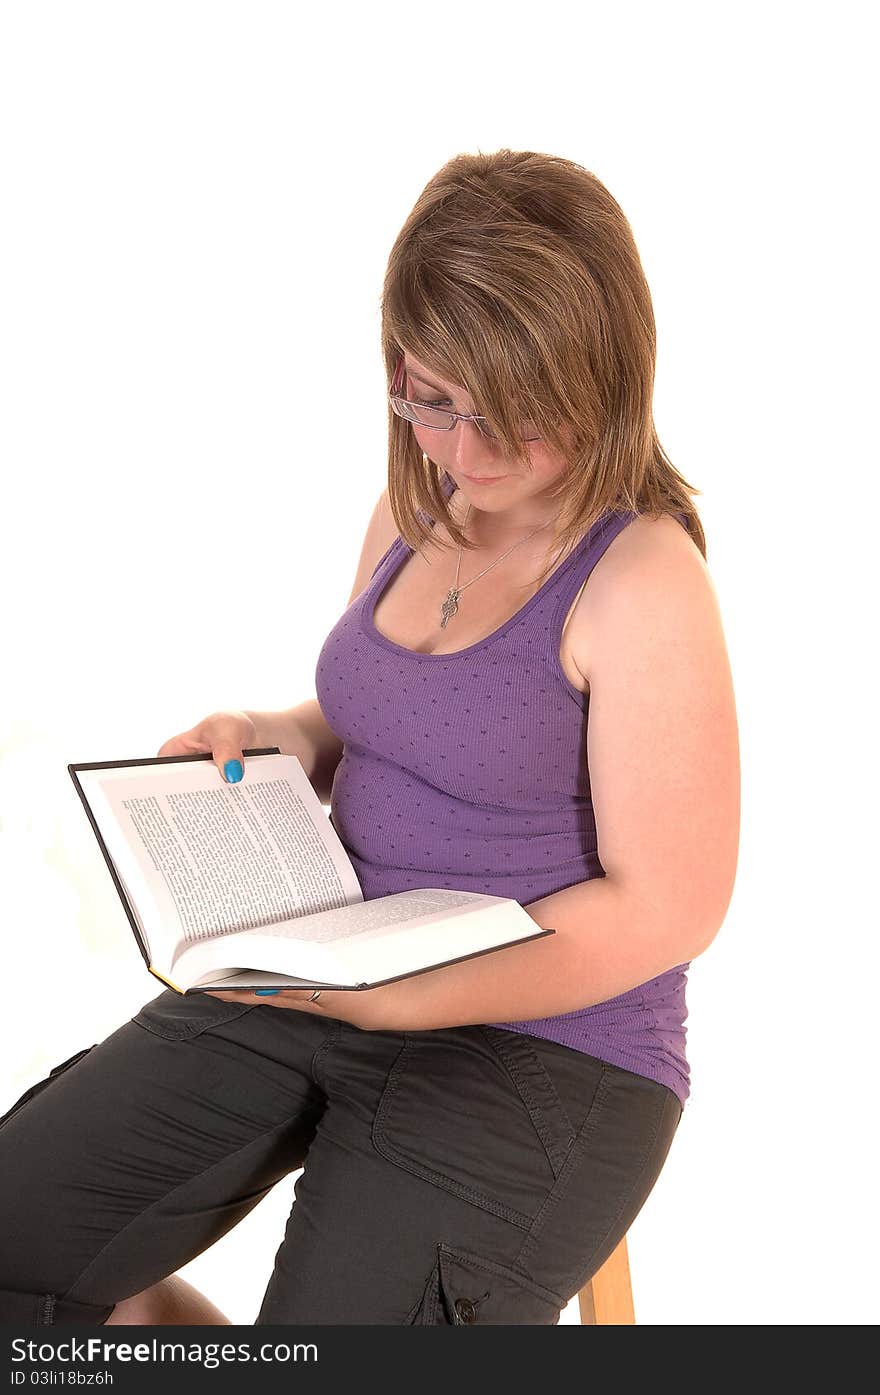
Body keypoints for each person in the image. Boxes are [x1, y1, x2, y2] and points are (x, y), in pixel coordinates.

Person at [0, 149, 739, 1326]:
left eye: (511, 415)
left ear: (601, 374)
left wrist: (412, 998)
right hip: (325, 980)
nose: (466, 451)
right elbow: (368, 727)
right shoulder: (416, 507)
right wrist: (277, 737)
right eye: (433, 401)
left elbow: (668, 911)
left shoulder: (641, 579)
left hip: (544, 1049)